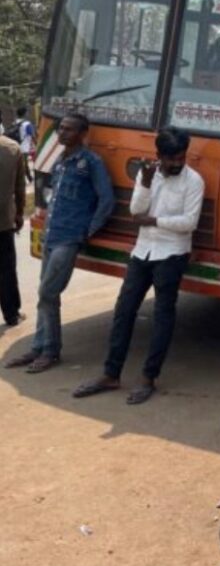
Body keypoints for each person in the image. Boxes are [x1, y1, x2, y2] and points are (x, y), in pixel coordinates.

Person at [72, 128, 204, 405]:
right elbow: (135, 211)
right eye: (171, 159)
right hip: (143, 251)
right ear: (159, 156)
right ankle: (111, 373)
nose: (177, 164)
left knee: (162, 316)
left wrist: (154, 221)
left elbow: (189, 222)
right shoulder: (148, 175)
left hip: (172, 254)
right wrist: (143, 183)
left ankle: (148, 378)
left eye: (181, 158)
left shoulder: (194, 181)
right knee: (124, 311)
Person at [5, 113, 114, 372]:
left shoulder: (90, 163)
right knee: (46, 294)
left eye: (68, 130)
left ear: (82, 134)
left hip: (70, 238)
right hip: (52, 235)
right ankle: (39, 347)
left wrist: (88, 231)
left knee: (48, 293)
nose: (62, 133)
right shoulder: (60, 161)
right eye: (61, 128)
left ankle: (50, 351)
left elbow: (106, 200)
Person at [0, 130, 27, 327]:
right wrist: (19, 213)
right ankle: (12, 314)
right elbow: (20, 187)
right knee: (6, 269)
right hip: (3, 220)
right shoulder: (12, 148)